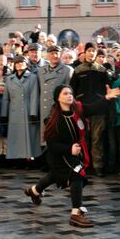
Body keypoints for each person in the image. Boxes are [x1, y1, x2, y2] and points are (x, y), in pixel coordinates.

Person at [25, 84, 94, 227]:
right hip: (59, 156)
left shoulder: (77, 110)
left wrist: (107, 97)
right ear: (58, 98)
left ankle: (34, 191)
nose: (69, 96)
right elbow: (52, 145)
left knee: (54, 176)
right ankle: (76, 214)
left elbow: (94, 107)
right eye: (65, 94)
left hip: (73, 153)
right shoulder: (53, 119)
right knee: (77, 174)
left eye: (71, 93)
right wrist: (70, 149)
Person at [1, 57, 40, 164]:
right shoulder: (9, 78)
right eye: (16, 63)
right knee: (15, 136)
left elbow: (34, 96)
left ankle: (28, 158)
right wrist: (4, 113)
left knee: (28, 136)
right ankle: (16, 159)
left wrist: (33, 112)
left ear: (26, 65)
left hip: (27, 109)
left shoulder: (32, 77)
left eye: (21, 62)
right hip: (13, 111)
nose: (19, 64)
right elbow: (6, 97)